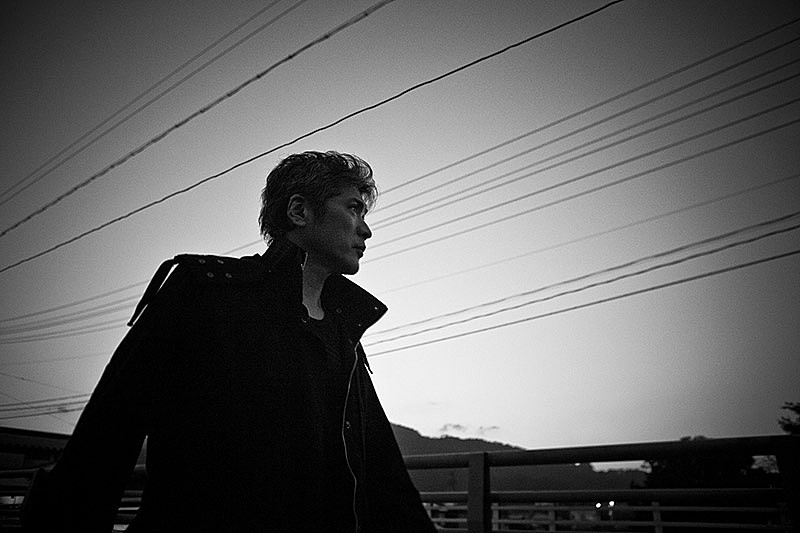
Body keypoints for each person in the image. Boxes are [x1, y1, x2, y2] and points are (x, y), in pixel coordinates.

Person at [24, 151, 437, 532]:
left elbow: (382, 476)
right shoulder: (206, 294)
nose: (366, 228)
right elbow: (107, 437)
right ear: (299, 211)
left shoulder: (345, 333)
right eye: (353, 208)